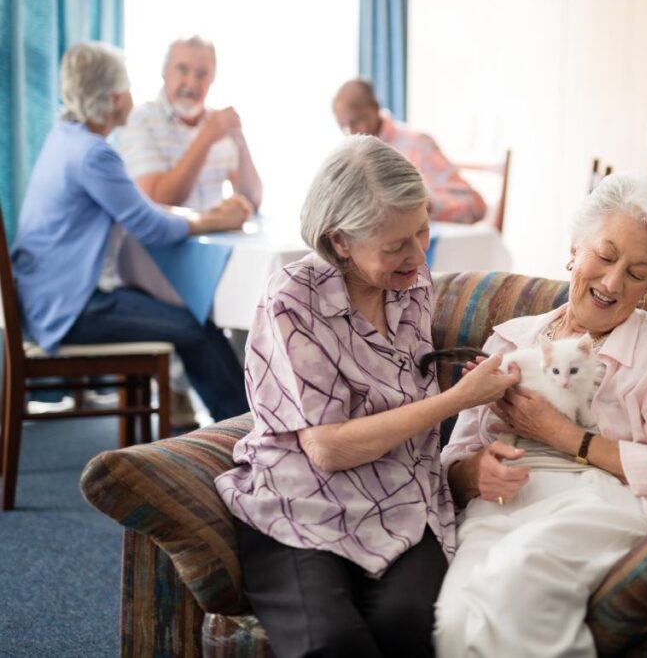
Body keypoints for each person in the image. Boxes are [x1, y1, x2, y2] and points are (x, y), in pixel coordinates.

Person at [215, 135, 519, 658]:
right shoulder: (292, 299)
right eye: (396, 244)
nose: (417, 255)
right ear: (340, 242)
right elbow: (327, 449)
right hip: (302, 497)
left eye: (421, 232)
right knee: (330, 643)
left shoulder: (414, 285)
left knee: (410, 623)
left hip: (402, 494)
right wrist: (459, 398)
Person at [433, 173, 647, 657]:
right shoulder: (510, 339)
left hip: (599, 501)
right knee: (453, 623)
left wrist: (569, 438)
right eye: (605, 257)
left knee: (519, 575)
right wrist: (473, 473)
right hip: (499, 505)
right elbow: (450, 464)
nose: (611, 282)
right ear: (574, 248)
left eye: (636, 272)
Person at [11, 41, 251, 422]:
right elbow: (151, 226)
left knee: (188, 316)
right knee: (193, 323)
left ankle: (237, 430)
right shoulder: (95, 154)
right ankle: (248, 434)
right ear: (115, 98)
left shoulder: (65, 138)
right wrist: (215, 221)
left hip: (47, 299)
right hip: (74, 308)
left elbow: (141, 213)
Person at [117, 35, 262, 212]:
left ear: (213, 78)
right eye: (182, 70)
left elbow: (252, 200)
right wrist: (206, 137)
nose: (192, 83)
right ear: (165, 71)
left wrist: (240, 140)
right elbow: (157, 201)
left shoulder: (218, 123)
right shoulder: (140, 119)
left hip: (217, 237)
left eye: (202, 74)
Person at [332, 78, 486, 224]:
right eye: (342, 126)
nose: (350, 132)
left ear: (375, 107)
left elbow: (475, 206)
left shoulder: (418, 145)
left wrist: (421, 204)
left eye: (357, 121)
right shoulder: (348, 158)